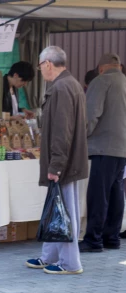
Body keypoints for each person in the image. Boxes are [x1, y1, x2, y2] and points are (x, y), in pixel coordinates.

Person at [26, 46, 88, 275]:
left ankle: (70, 263)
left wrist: (56, 166)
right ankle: (49, 255)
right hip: (69, 162)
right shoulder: (69, 84)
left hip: (65, 164)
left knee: (65, 211)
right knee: (57, 208)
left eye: (40, 66)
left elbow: (63, 131)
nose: (40, 70)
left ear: (48, 64)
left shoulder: (62, 88)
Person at [79, 53, 126, 252]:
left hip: (104, 146)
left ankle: (93, 239)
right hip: (122, 147)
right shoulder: (124, 82)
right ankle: (112, 237)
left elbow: (90, 114)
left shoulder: (101, 82)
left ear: (100, 68)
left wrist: (80, 138)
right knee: (116, 193)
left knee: (98, 194)